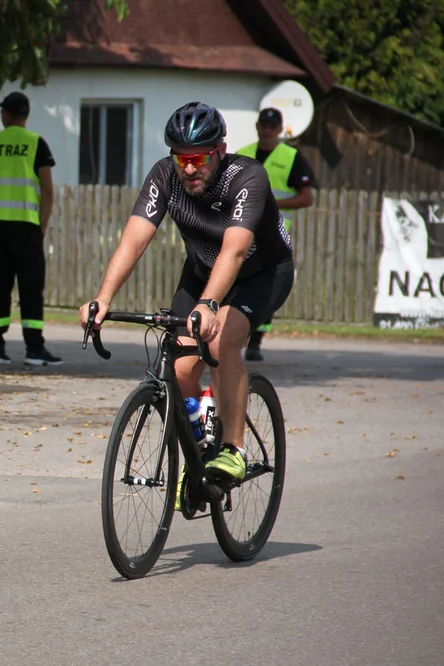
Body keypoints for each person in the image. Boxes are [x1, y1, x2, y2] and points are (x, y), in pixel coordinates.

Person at [80, 101, 295, 493]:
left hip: (260, 273)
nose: (189, 168)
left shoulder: (247, 177)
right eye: (181, 159)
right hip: (200, 274)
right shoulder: (166, 176)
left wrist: (210, 305)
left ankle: (233, 447)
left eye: (198, 158)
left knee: (222, 339)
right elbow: (135, 237)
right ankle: (200, 446)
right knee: (178, 371)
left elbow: (233, 251)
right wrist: (103, 298)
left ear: (220, 151)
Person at [0, 91, 61, 366]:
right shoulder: (36, 143)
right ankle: (34, 349)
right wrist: (42, 224)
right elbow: (48, 188)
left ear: (5, 114)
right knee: (31, 288)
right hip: (28, 228)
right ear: (26, 116)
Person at [234, 107, 316, 361]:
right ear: (258, 127)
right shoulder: (242, 154)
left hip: (274, 233)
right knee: (235, 280)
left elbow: (306, 197)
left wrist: (272, 206)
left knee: (264, 285)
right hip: (242, 227)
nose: (267, 130)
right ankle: (234, 336)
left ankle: (256, 342)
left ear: (280, 129)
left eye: (272, 126)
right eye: (263, 125)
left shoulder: (291, 157)